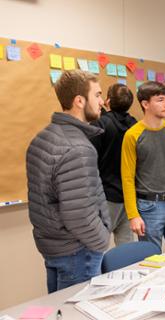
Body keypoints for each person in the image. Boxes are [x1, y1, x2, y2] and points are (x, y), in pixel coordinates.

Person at [26, 70, 111, 293]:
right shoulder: (78, 148)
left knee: (60, 311)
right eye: (98, 95)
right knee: (78, 312)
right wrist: (102, 239)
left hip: (54, 247)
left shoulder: (43, 137)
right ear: (80, 101)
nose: (103, 102)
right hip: (77, 251)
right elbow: (79, 216)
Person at [121, 81, 165, 252]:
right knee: (152, 260)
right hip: (149, 207)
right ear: (145, 104)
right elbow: (127, 178)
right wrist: (133, 215)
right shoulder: (132, 135)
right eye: (160, 100)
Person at [90, 83, 137, 246]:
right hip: (129, 195)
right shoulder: (135, 125)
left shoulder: (100, 125)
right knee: (126, 244)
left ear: (108, 101)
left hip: (107, 195)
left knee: (99, 243)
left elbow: (91, 161)